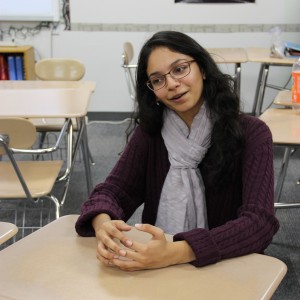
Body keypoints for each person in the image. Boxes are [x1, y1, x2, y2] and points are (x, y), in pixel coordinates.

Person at [75, 31, 279, 271]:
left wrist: (176, 252)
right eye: (158, 80)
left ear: (202, 69)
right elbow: (113, 192)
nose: (171, 84)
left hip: (230, 266)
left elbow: (259, 223)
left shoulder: (252, 133)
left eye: (180, 69)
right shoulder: (151, 134)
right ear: (152, 91)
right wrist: (103, 224)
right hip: (158, 266)